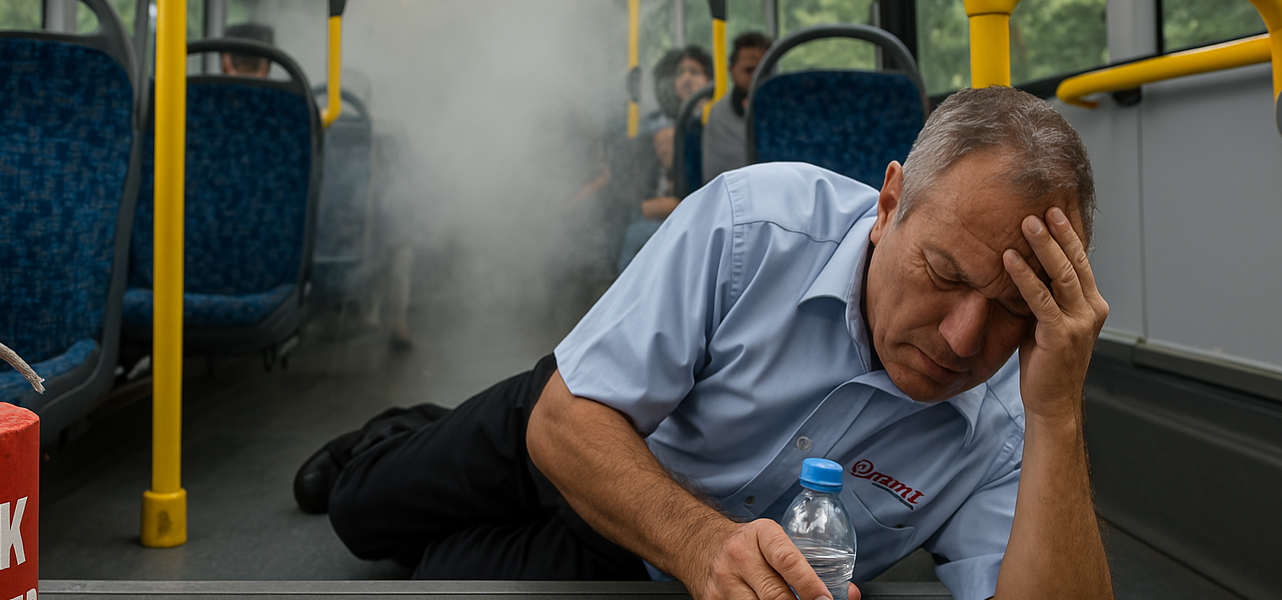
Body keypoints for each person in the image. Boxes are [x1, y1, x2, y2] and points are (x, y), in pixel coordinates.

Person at [297, 86, 1113, 600]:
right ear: (889, 205)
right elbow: (566, 420)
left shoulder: (1013, 417)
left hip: (634, 556)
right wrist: (704, 544)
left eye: (1013, 309)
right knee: (362, 511)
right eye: (943, 272)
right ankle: (397, 434)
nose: (964, 339)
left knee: (435, 574)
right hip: (589, 425)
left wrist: (1058, 414)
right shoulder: (754, 224)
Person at [615, 46, 714, 273]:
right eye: (679, 73)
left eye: (694, 72)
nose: (686, 78)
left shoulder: (717, 118)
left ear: (709, 80)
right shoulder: (655, 124)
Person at [702, 31, 773, 183]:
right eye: (749, 70)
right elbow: (717, 177)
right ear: (731, 71)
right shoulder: (719, 115)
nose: (756, 78)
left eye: (764, 71)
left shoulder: (790, 111)